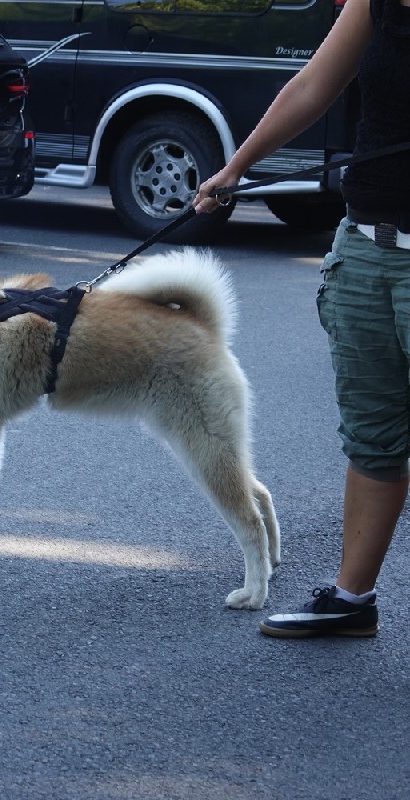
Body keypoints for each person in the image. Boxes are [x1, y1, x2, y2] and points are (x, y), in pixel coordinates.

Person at [195, 0, 409, 638]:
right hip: (367, 248)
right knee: (373, 437)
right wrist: (236, 168)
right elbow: (314, 84)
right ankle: (352, 600)